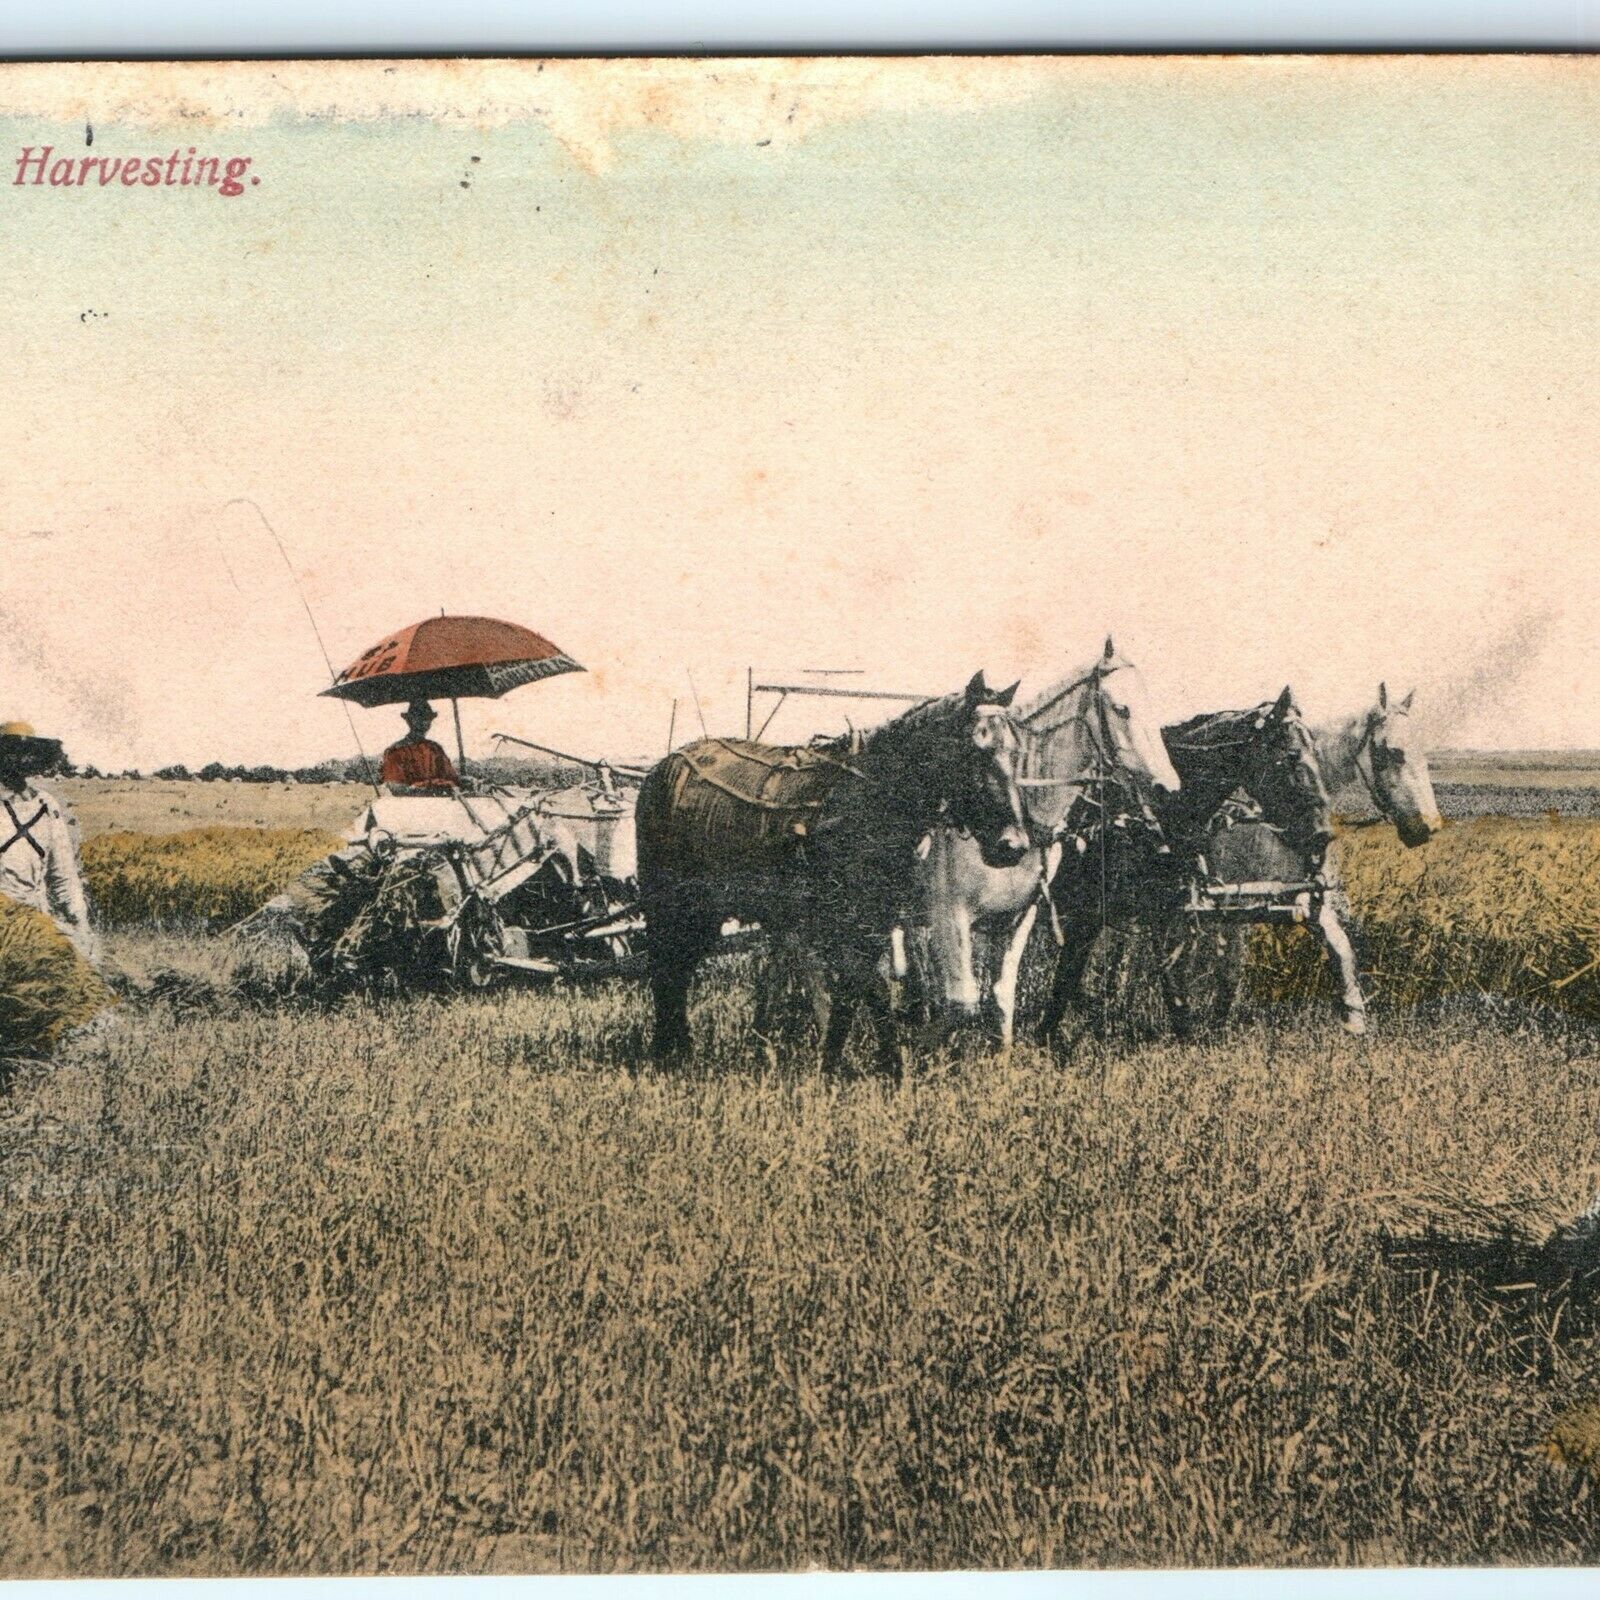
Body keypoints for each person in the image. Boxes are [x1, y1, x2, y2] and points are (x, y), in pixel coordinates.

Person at [0, 719, 100, 965]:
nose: (19, 760)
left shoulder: (46, 807)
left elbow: (63, 875)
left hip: (34, 923)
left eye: (26, 753)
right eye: (11, 751)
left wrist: (80, 924)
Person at [378, 700, 460, 791]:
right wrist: (422, 786)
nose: (423, 722)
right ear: (409, 721)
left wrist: (463, 781)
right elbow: (393, 786)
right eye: (419, 717)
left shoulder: (435, 749)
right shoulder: (396, 751)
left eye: (427, 718)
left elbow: (451, 777)